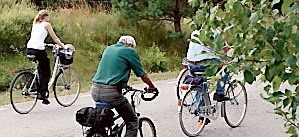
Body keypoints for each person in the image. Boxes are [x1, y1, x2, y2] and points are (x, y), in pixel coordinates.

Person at [91, 35, 158, 137]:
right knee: (132, 120)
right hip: (111, 93)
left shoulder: (109, 48)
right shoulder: (129, 51)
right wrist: (151, 87)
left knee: (103, 120)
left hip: (95, 91)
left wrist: (123, 85)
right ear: (130, 44)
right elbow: (142, 74)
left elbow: (112, 69)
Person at [26, 10, 67, 105]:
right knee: (46, 72)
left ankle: (39, 89)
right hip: (38, 50)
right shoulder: (46, 24)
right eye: (49, 17)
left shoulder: (35, 24)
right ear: (46, 17)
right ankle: (42, 93)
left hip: (29, 48)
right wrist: (63, 46)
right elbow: (55, 38)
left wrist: (44, 44)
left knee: (41, 69)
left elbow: (37, 37)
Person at [186, 27, 231, 102]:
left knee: (200, 82)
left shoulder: (195, 31)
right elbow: (225, 48)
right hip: (203, 64)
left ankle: (201, 108)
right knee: (225, 67)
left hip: (191, 64)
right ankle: (219, 93)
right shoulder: (215, 32)